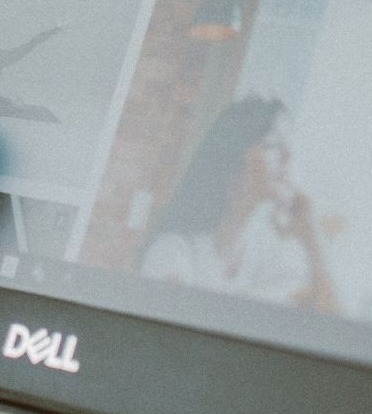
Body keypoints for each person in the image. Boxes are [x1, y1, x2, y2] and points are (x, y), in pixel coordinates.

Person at [141, 97, 339, 314]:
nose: (287, 156)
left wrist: (311, 238)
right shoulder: (175, 251)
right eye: (271, 145)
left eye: (287, 146)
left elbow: (335, 327)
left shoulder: (270, 252)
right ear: (231, 158)